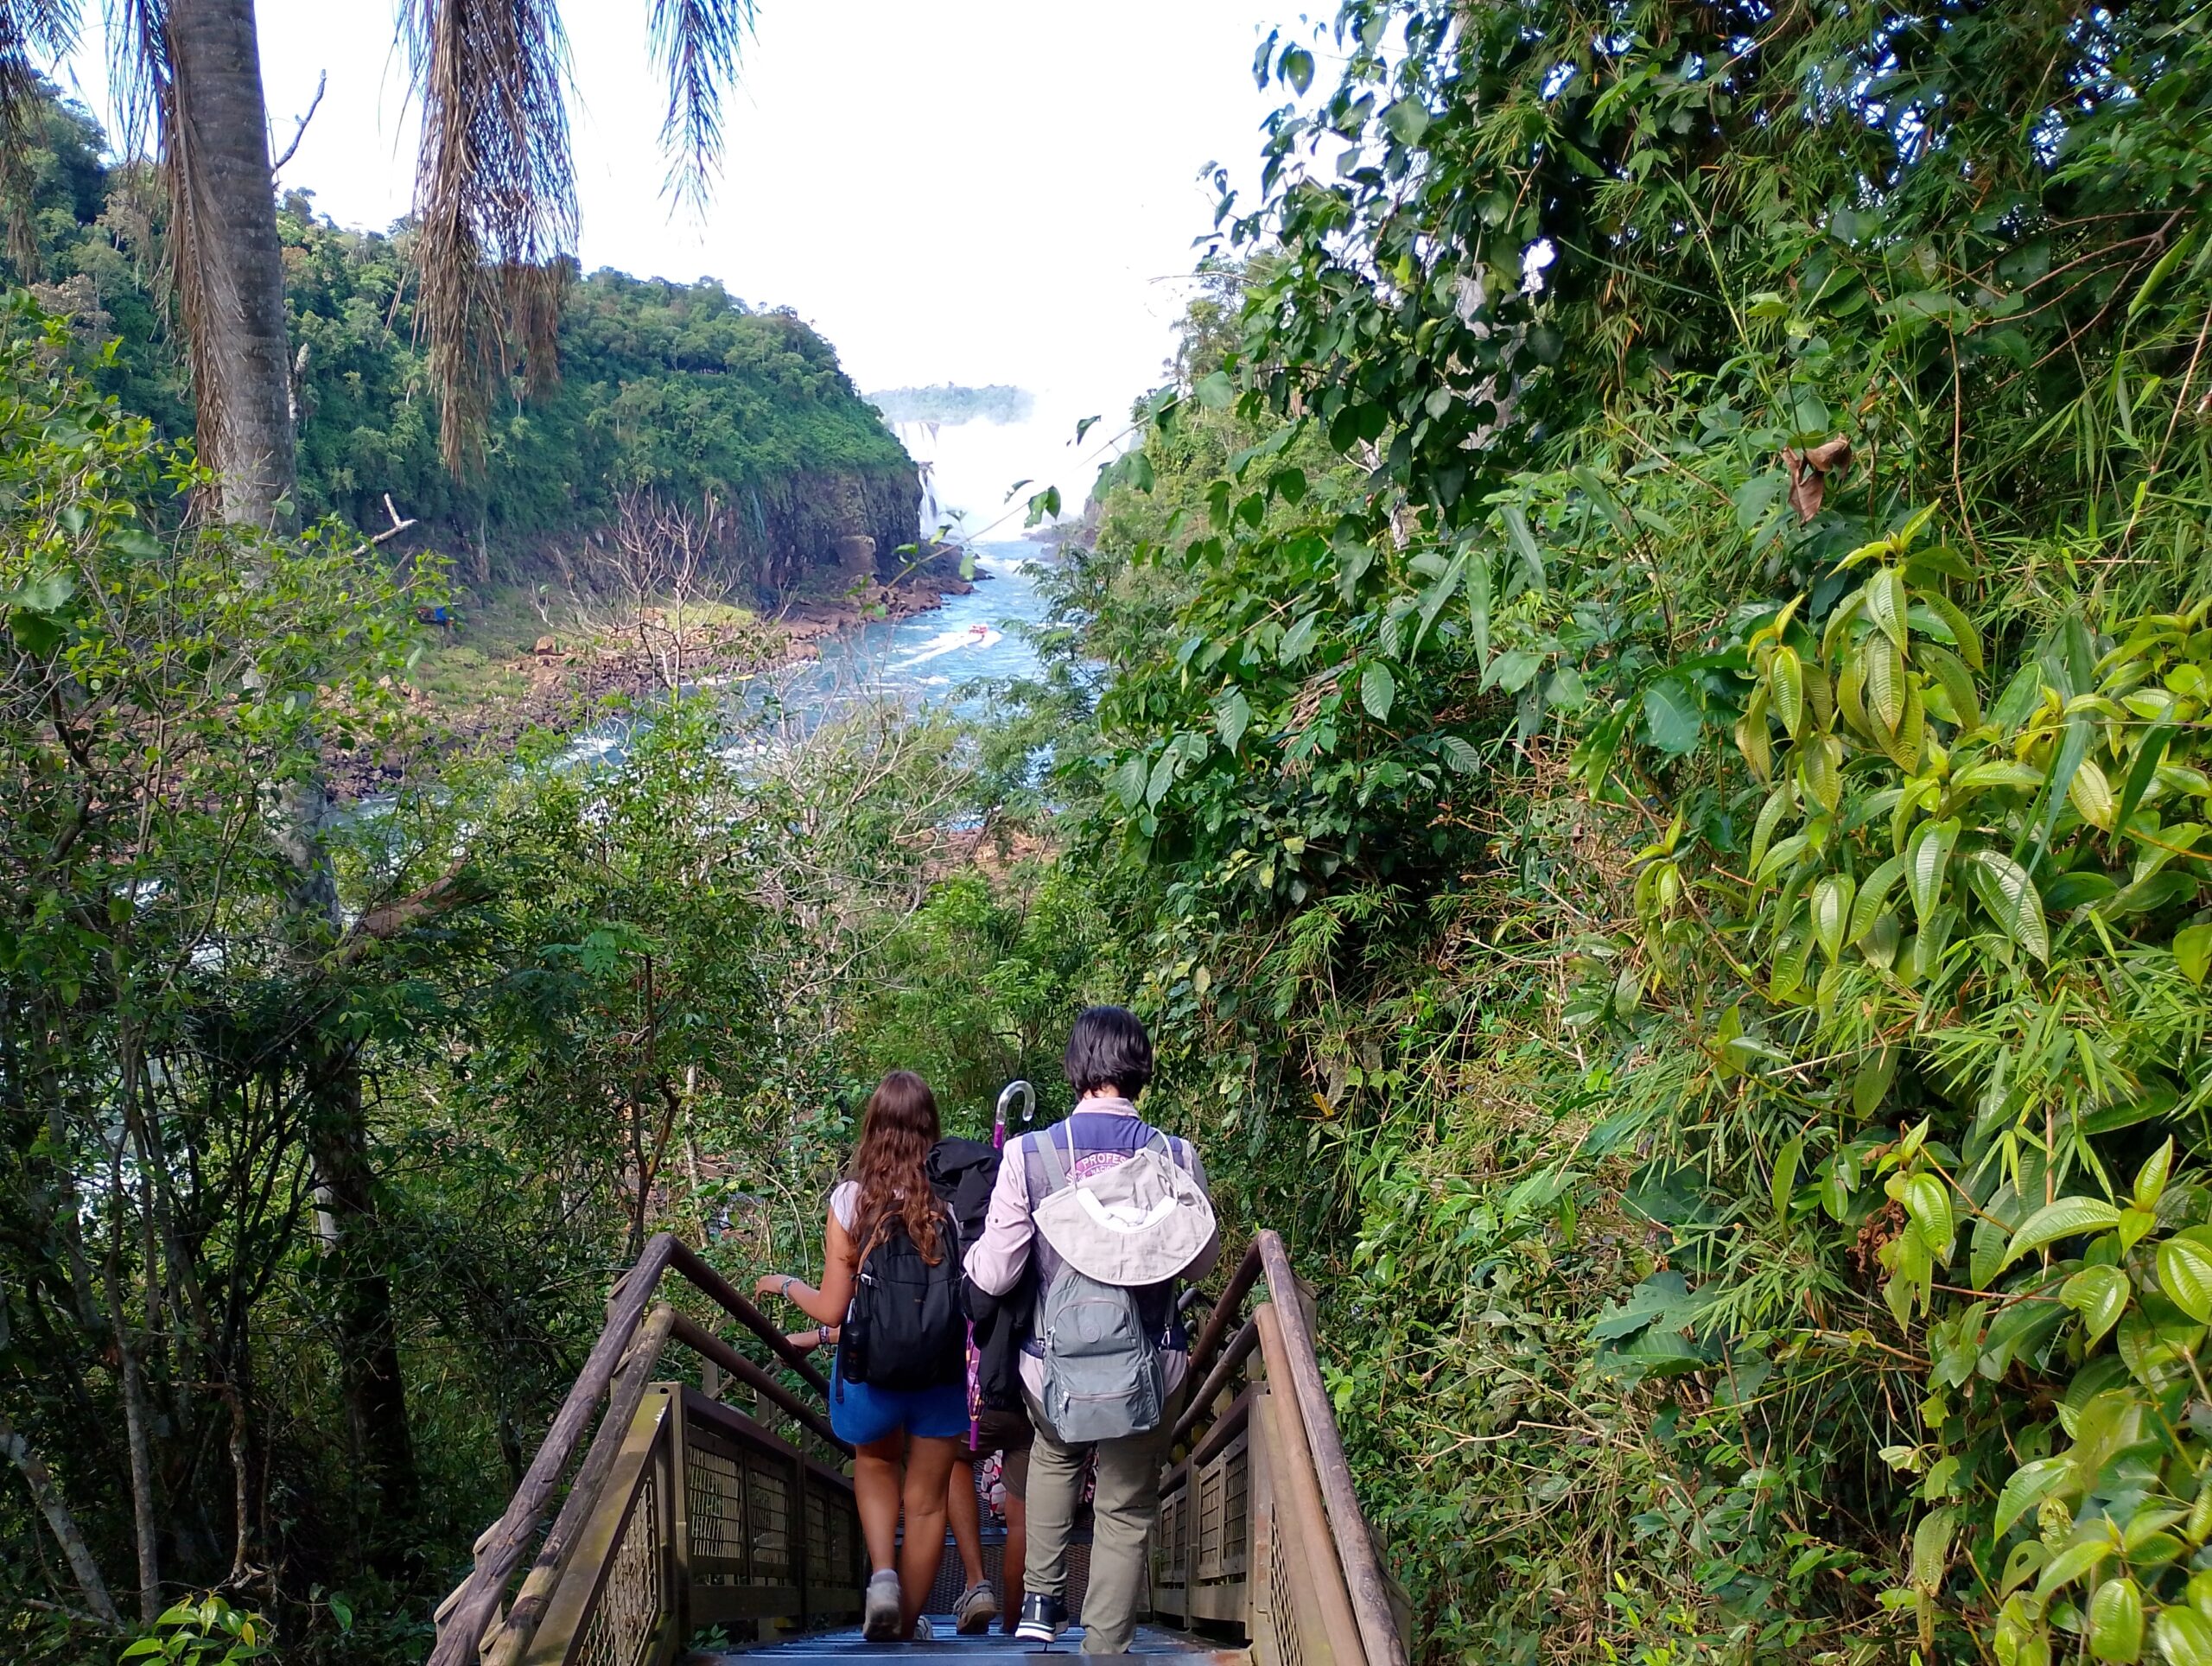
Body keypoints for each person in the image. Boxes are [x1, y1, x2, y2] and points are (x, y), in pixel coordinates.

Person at [964, 1007, 1221, 1653]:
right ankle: (1104, 1644)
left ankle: (1041, 1602)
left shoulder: (1030, 1155)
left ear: (1074, 1067)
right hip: (1151, 1359)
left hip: (1052, 1365)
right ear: (1141, 1070)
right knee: (1126, 1503)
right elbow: (1200, 1258)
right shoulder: (1177, 1156)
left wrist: (969, 1261)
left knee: (1054, 1453)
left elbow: (995, 1275)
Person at [755, 1071, 966, 1642]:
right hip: (941, 1372)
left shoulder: (852, 1200)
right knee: (925, 1506)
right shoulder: (954, 1198)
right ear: (930, 1127)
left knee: (874, 1466)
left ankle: (884, 1581)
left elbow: (830, 1310)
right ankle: (909, 1623)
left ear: (873, 1125)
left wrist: (785, 1285)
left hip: (871, 1369)